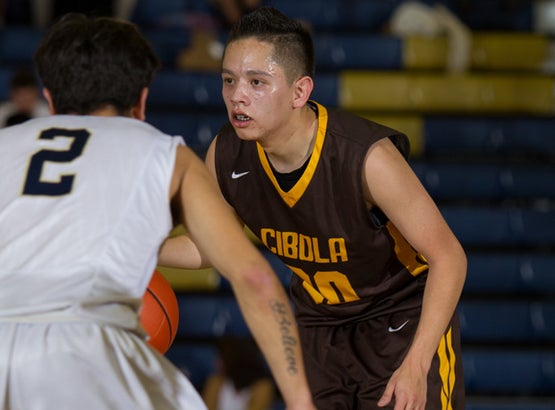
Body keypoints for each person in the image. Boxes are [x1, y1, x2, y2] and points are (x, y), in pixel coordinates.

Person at [0, 13, 315, 410]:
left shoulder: (4, 144)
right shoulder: (164, 155)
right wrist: (301, 400)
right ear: (142, 102)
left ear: (48, 98)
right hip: (90, 355)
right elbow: (253, 276)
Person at [159, 6, 467, 409]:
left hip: (398, 322)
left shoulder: (367, 158)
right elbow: (211, 245)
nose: (237, 95)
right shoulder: (226, 154)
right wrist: (143, 250)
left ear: (300, 92)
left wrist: (416, 362)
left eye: (257, 82)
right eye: (229, 80)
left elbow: (449, 256)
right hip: (319, 330)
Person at [202, 336, 275, 410]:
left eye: (221, 359)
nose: (216, 363)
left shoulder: (263, 386)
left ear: (234, 361)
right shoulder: (214, 382)